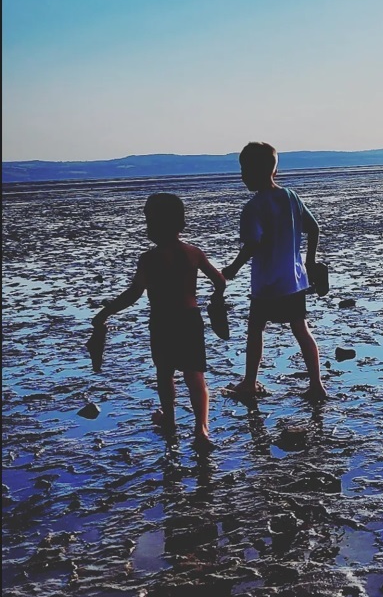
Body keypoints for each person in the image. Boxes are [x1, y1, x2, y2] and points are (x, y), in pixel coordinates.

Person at [91, 193, 225, 451]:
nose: (148, 228)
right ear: (181, 224)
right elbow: (219, 281)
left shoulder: (149, 259)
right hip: (190, 320)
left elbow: (133, 293)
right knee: (195, 375)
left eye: (149, 222)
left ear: (154, 226)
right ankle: (201, 429)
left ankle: (170, 421)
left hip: (162, 321)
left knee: (165, 372)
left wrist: (104, 313)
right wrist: (216, 301)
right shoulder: (193, 253)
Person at [222, 141, 327, 401]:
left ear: (256, 172)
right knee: (301, 329)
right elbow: (314, 229)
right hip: (293, 281)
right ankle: (317, 384)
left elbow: (253, 244)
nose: (242, 176)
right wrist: (310, 263)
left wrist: (233, 268)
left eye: (245, 170)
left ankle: (249, 382)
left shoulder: (253, 207)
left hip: (267, 283)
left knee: (255, 329)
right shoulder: (291, 197)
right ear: (275, 171)